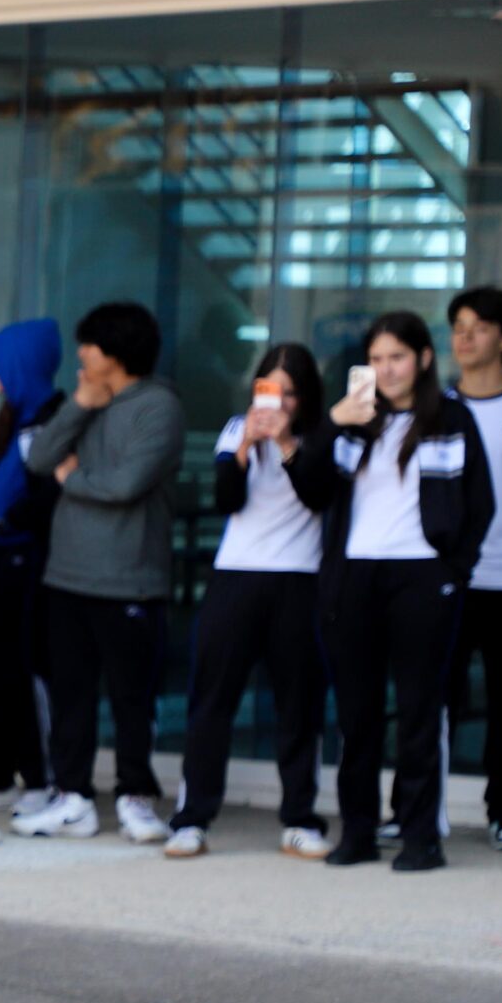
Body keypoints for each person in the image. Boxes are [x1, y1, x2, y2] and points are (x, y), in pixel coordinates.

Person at [295, 312, 496, 872]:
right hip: (355, 575)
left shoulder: (451, 418)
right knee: (356, 715)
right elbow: (311, 491)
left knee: (417, 713)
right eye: (377, 360)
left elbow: (481, 504)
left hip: (422, 577)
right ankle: (356, 833)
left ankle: (418, 837)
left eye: (397, 358)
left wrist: (453, 570)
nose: (387, 370)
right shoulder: (356, 420)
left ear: (424, 359)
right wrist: (334, 423)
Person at [11, 301, 184, 845]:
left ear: (113, 353)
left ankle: (136, 798)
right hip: (67, 577)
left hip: (130, 579)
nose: (80, 355)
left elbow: (125, 484)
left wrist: (73, 477)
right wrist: (79, 408)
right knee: (71, 695)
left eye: (88, 346)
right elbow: (38, 459)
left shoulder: (159, 407)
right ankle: (73, 799)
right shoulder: (86, 399)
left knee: (132, 698)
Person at [164, 345, 331, 860]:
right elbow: (227, 500)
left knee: (298, 706)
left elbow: (317, 494)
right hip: (236, 579)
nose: (275, 401)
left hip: (298, 579)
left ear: (303, 396)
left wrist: (284, 442)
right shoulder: (238, 429)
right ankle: (192, 818)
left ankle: (299, 818)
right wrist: (245, 449)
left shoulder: (322, 436)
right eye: (267, 389)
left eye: (286, 392)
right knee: (212, 702)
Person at [0, 319, 64, 814]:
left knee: (24, 671)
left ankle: (39, 778)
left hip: (29, 562)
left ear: (22, 367)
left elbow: (48, 492)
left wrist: (8, 523)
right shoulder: (12, 416)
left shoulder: (52, 416)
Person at [445, 285, 502, 852]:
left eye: (479, 326)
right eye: (458, 326)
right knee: (433, 698)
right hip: (448, 580)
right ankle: (420, 810)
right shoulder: (436, 410)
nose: (465, 337)